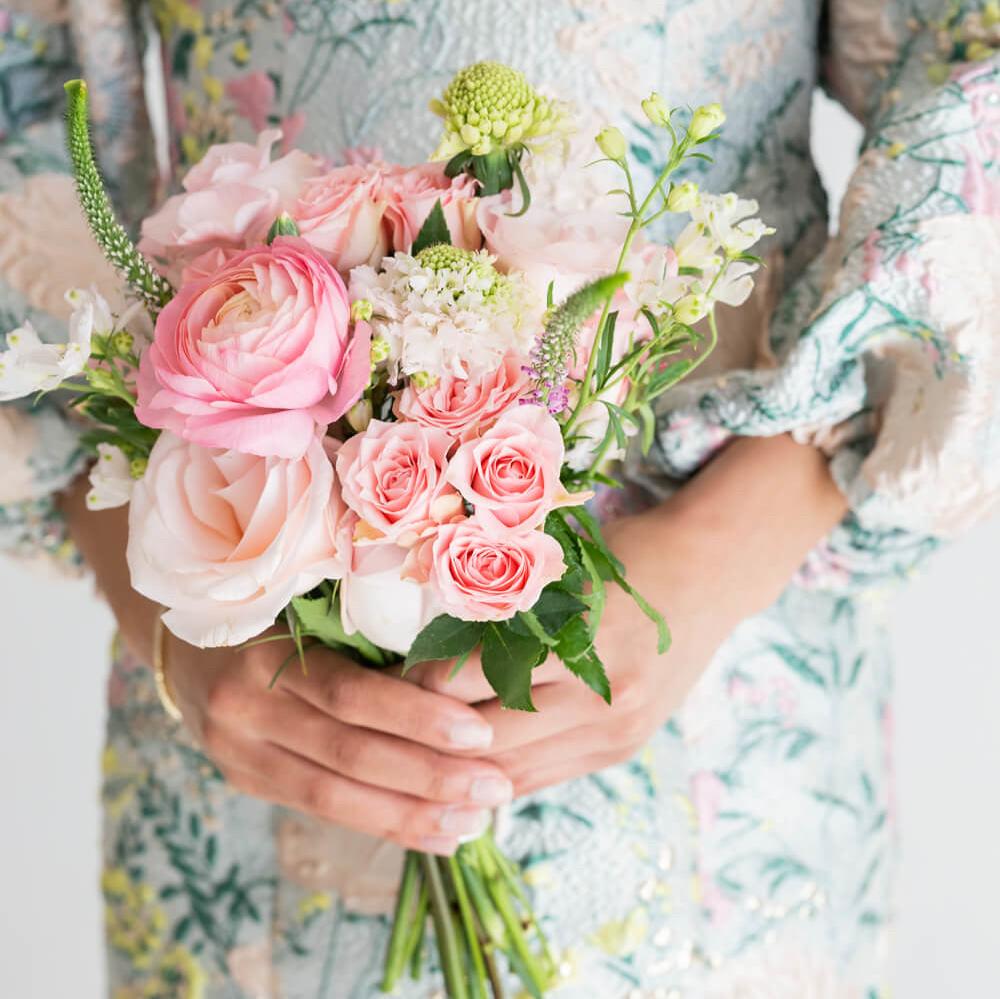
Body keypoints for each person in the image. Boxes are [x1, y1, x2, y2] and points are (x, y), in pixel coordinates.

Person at [2, 1, 998, 995]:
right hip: (245, 660)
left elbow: (971, 65)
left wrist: (715, 554)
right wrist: (174, 614)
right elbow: (21, 94)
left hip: (729, 664)